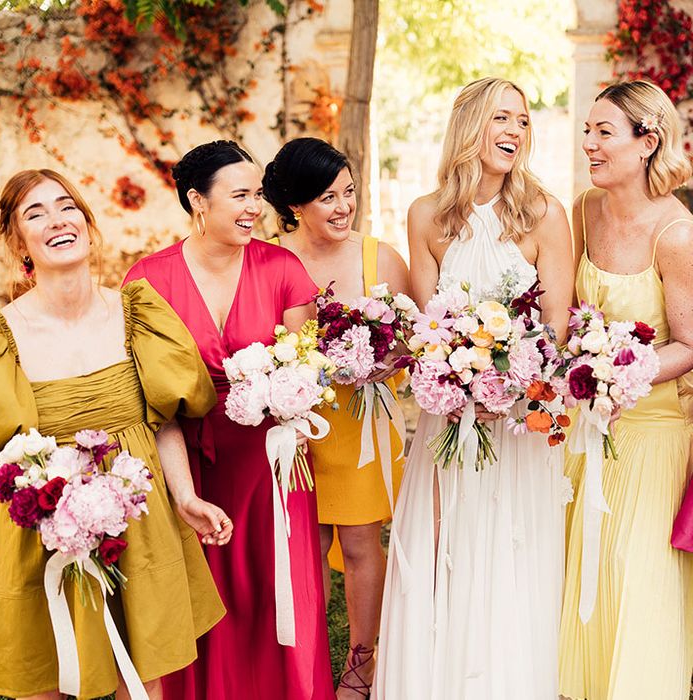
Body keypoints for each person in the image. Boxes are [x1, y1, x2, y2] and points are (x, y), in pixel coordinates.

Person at [0, 169, 232, 700]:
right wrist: (43, 508)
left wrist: (185, 496)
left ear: (88, 224)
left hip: (138, 520)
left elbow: (157, 422)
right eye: (34, 213)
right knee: (50, 675)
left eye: (66, 206)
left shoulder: (138, 314)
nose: (56, 220)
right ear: (18, 242)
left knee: (141, 679)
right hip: (45, 532)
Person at [373, 77, 574, 699]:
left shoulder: (545, 213)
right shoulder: (426, 215)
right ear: (469, 127)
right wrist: (456, 375)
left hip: (518, 422)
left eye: (522, 121)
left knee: (513, 548)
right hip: (450, 418)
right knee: (447, 545)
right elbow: (429, 324)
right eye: (500, 118)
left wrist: (509, 384)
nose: (514, 131)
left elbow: (558, 331)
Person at [123, 141, 335, 700]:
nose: (253, 208)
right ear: (197, 200)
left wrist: (286, 392)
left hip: (272, 463)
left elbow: (307, 367)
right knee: (199, 592)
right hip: (186, 459)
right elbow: (141, 388)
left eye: (257, 194)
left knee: (276, 589)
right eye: (238, 194)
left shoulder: (283, 268)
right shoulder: (147, 281)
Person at [559, 80, 693, 700]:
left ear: (648, 141)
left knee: (634, 573)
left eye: (603, 132)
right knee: (583, 562)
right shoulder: (587, 207)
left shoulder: (677, 234)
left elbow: (690, 347)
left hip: (653, 431)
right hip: (586, 425)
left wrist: (618, 373)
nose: (589, 143)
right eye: (588, 129)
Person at [262, 136, 409, 698]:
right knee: (301, 545)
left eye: (349, 193)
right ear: (296, 205)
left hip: (360, 426)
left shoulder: (382, 258)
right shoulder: (271, 258)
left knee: (358, 544)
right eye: (328, 197)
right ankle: (306, 665)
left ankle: (362, 664)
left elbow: (417, 339)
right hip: (294, 429)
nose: (344, 207)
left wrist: (380, 362)